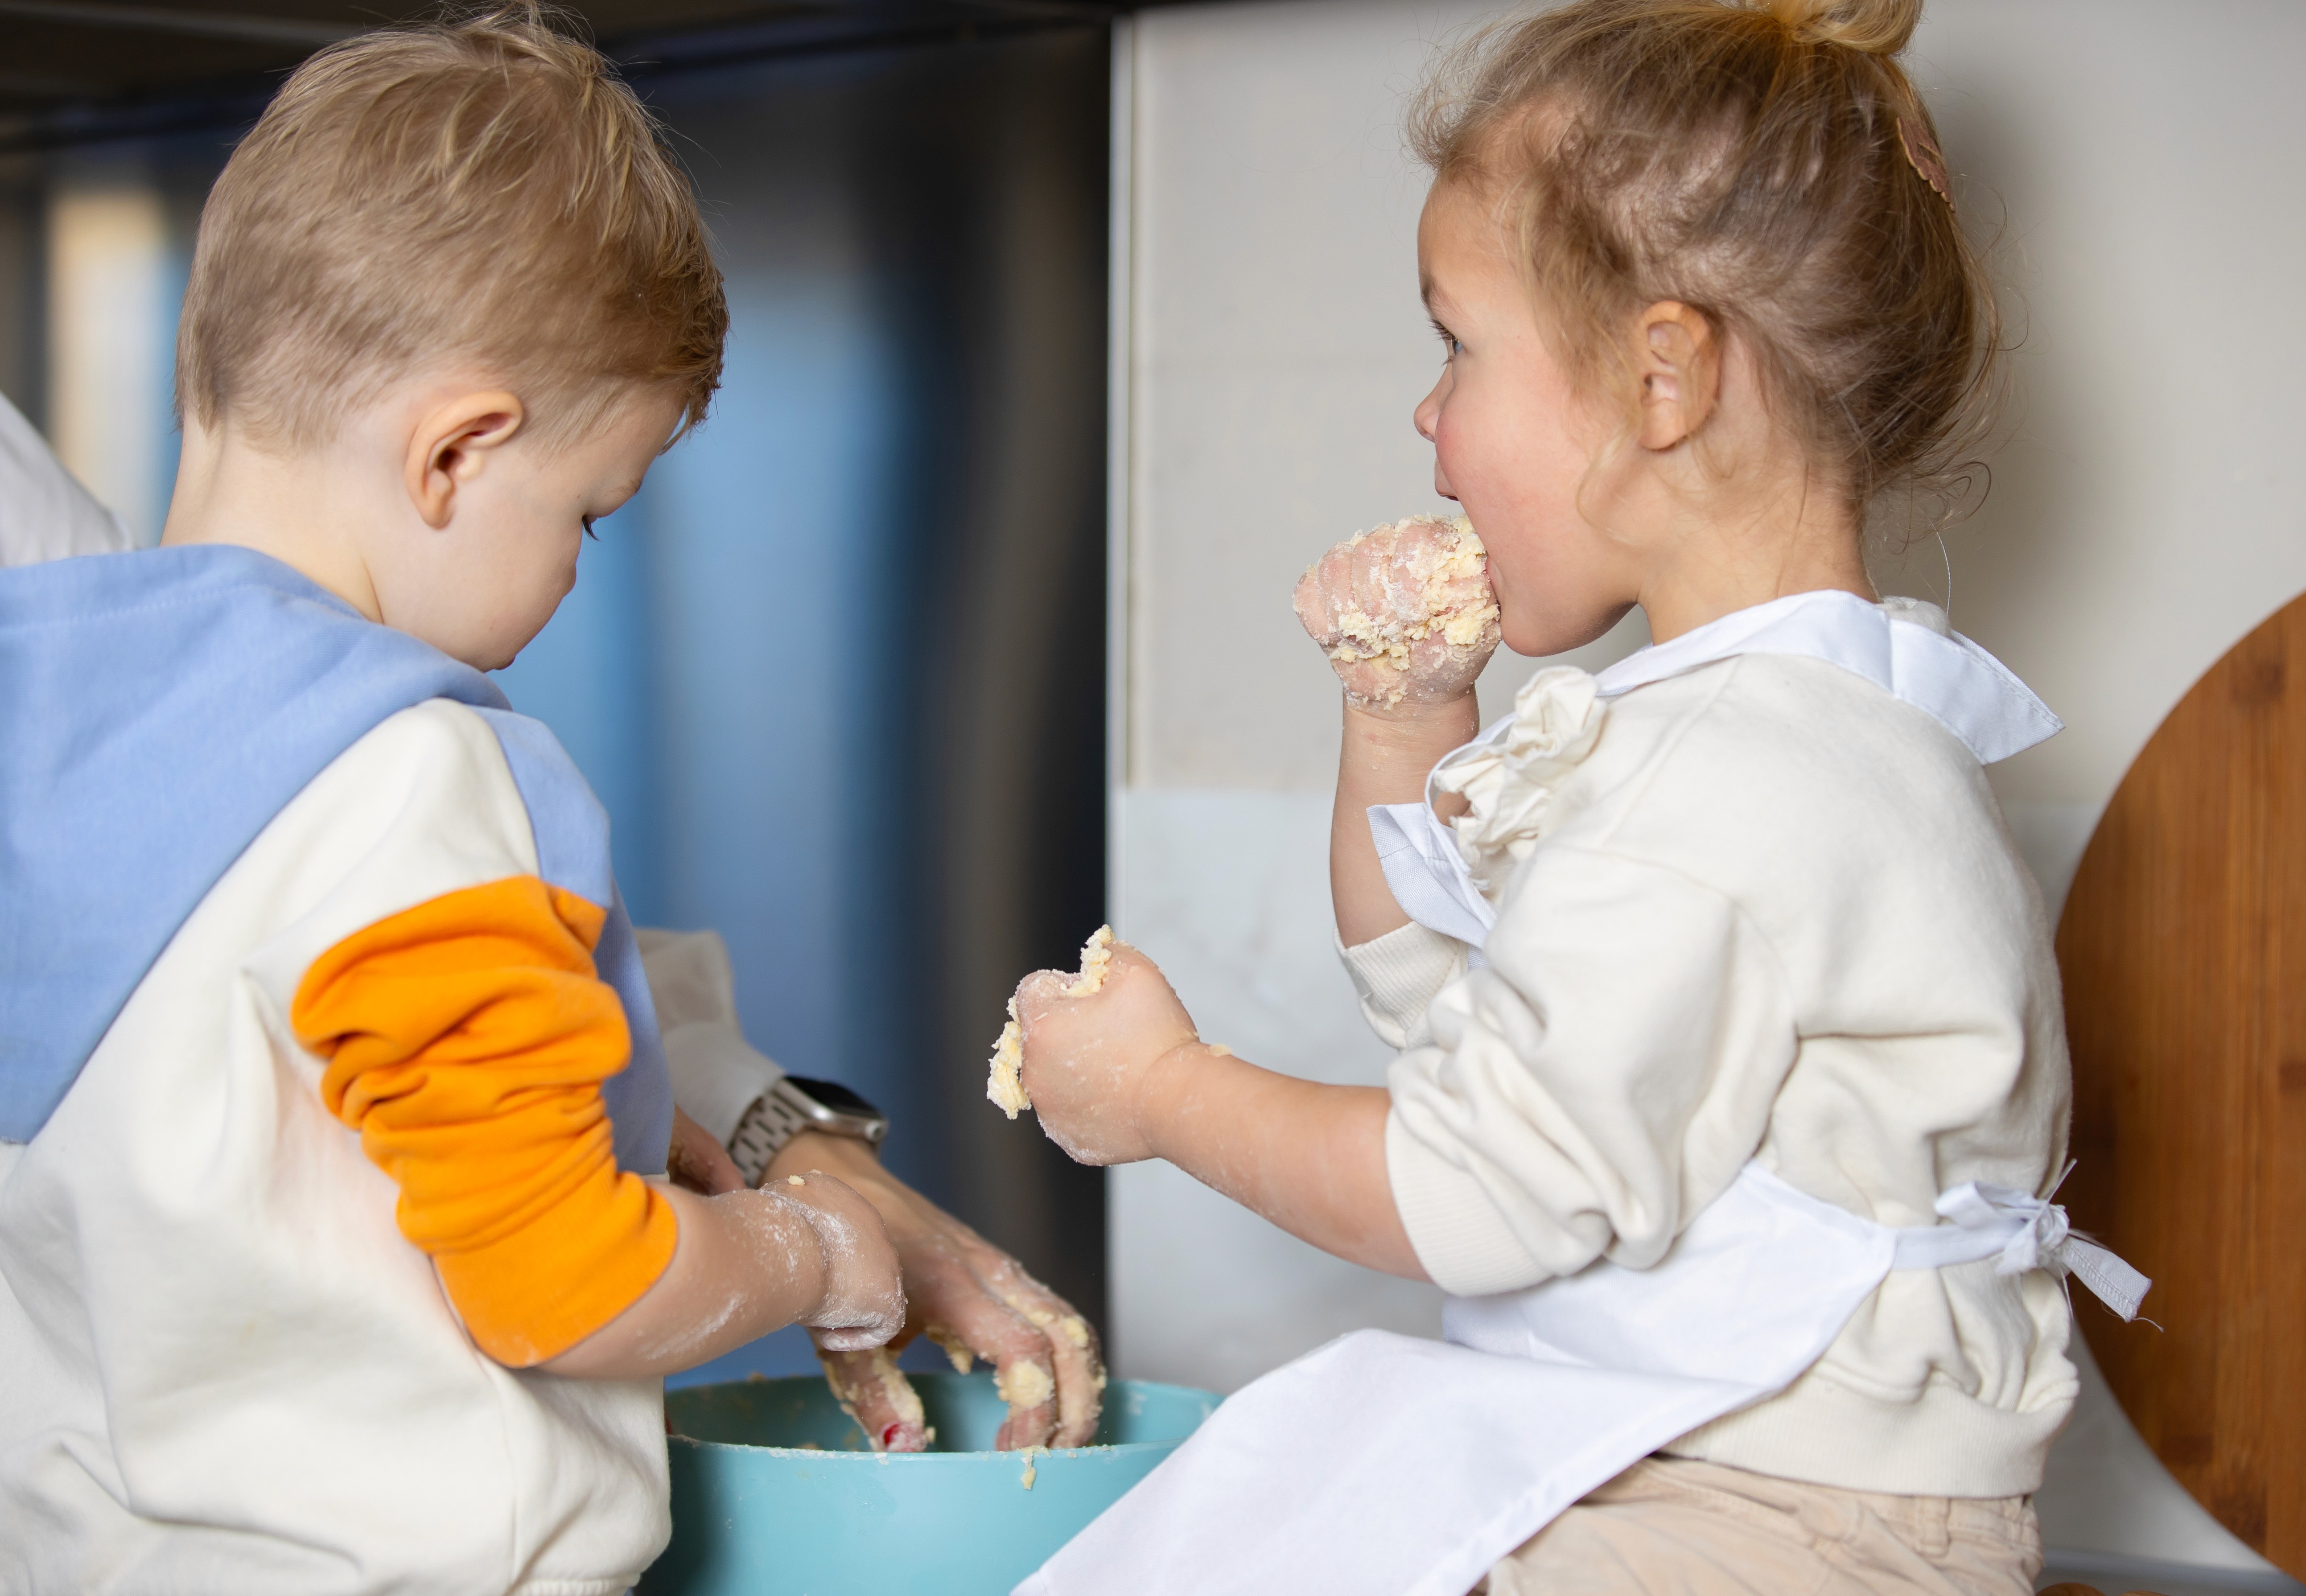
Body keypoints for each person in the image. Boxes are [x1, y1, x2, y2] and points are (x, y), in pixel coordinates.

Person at [1008, 2, 2144, 1593]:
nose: (1427, 415)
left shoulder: (1732, 780)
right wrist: (1404, 722)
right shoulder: (1781, 727)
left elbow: (1472, 1193)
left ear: (1659, 380)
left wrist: (1168, 1094)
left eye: (1456, 344)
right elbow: (1444, 1005)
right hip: (1718, 1471)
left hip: (1789, 1524)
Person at [0, 12, 1094, 1592]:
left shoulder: (46, 722)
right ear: (454, 453)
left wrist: (775, 1134)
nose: (580, 572)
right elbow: (557, 1279)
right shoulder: (408, 775)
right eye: (590, 510)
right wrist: (811, 1252)